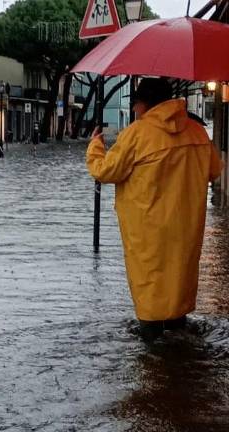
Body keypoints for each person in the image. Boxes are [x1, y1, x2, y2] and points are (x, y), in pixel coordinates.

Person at [86, 77, 224, 342]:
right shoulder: (196, 132)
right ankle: (179, 359)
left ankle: (155, 362)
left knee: (150, 293)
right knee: (177, 286)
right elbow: (215, 170)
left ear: (145, 104)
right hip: (185, 227)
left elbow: (105, 171)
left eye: (136, 104)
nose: (135, 110)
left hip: (147, 230)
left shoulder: (137, 134)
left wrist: (95, 147)